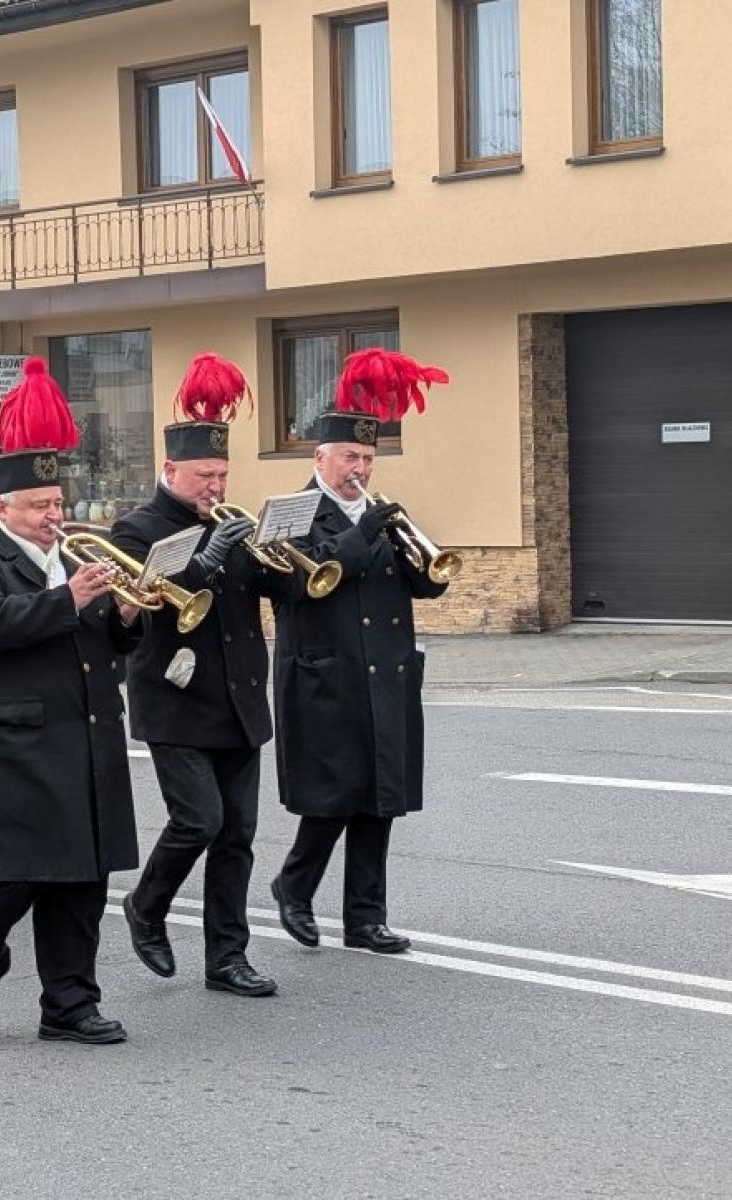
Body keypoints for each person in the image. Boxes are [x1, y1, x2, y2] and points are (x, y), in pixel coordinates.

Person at [0, 358, 140, 1045]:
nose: (54, 517)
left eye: (57, 505)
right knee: (13, 879)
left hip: (83, 733)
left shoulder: (74, 558)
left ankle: (69, 1004)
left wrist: (125, 616)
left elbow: (101, 645)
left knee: (81, 880)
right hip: (12, 741)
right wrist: (68, 599)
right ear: (2, 508)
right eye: (39, 507)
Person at [269, 348, 452, 956]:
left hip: (386, 674)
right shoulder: (292, 513)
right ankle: (294, 889)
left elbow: (422, 586)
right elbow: (295, 585)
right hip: (326, 675)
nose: (361, 468)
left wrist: (426, 564)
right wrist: (360, 535)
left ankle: (365, 918)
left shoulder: (379, 514)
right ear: (320, 458)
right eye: (350, 456)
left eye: (369, 458)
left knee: (380, 800)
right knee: (330, 799)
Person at [111, 354, 282, 997]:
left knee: (238, 835)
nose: (215, 484)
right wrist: (206, 562)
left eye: (222, 473)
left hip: (239, 700)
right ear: (170, 470)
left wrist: (276, 551)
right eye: (204, 475)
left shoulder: (227, 520)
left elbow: (277, 589)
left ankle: (226, 958)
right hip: (177, 699)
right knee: (200, 821)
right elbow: (145, 605)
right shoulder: (137, 528)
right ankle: (146, 906)